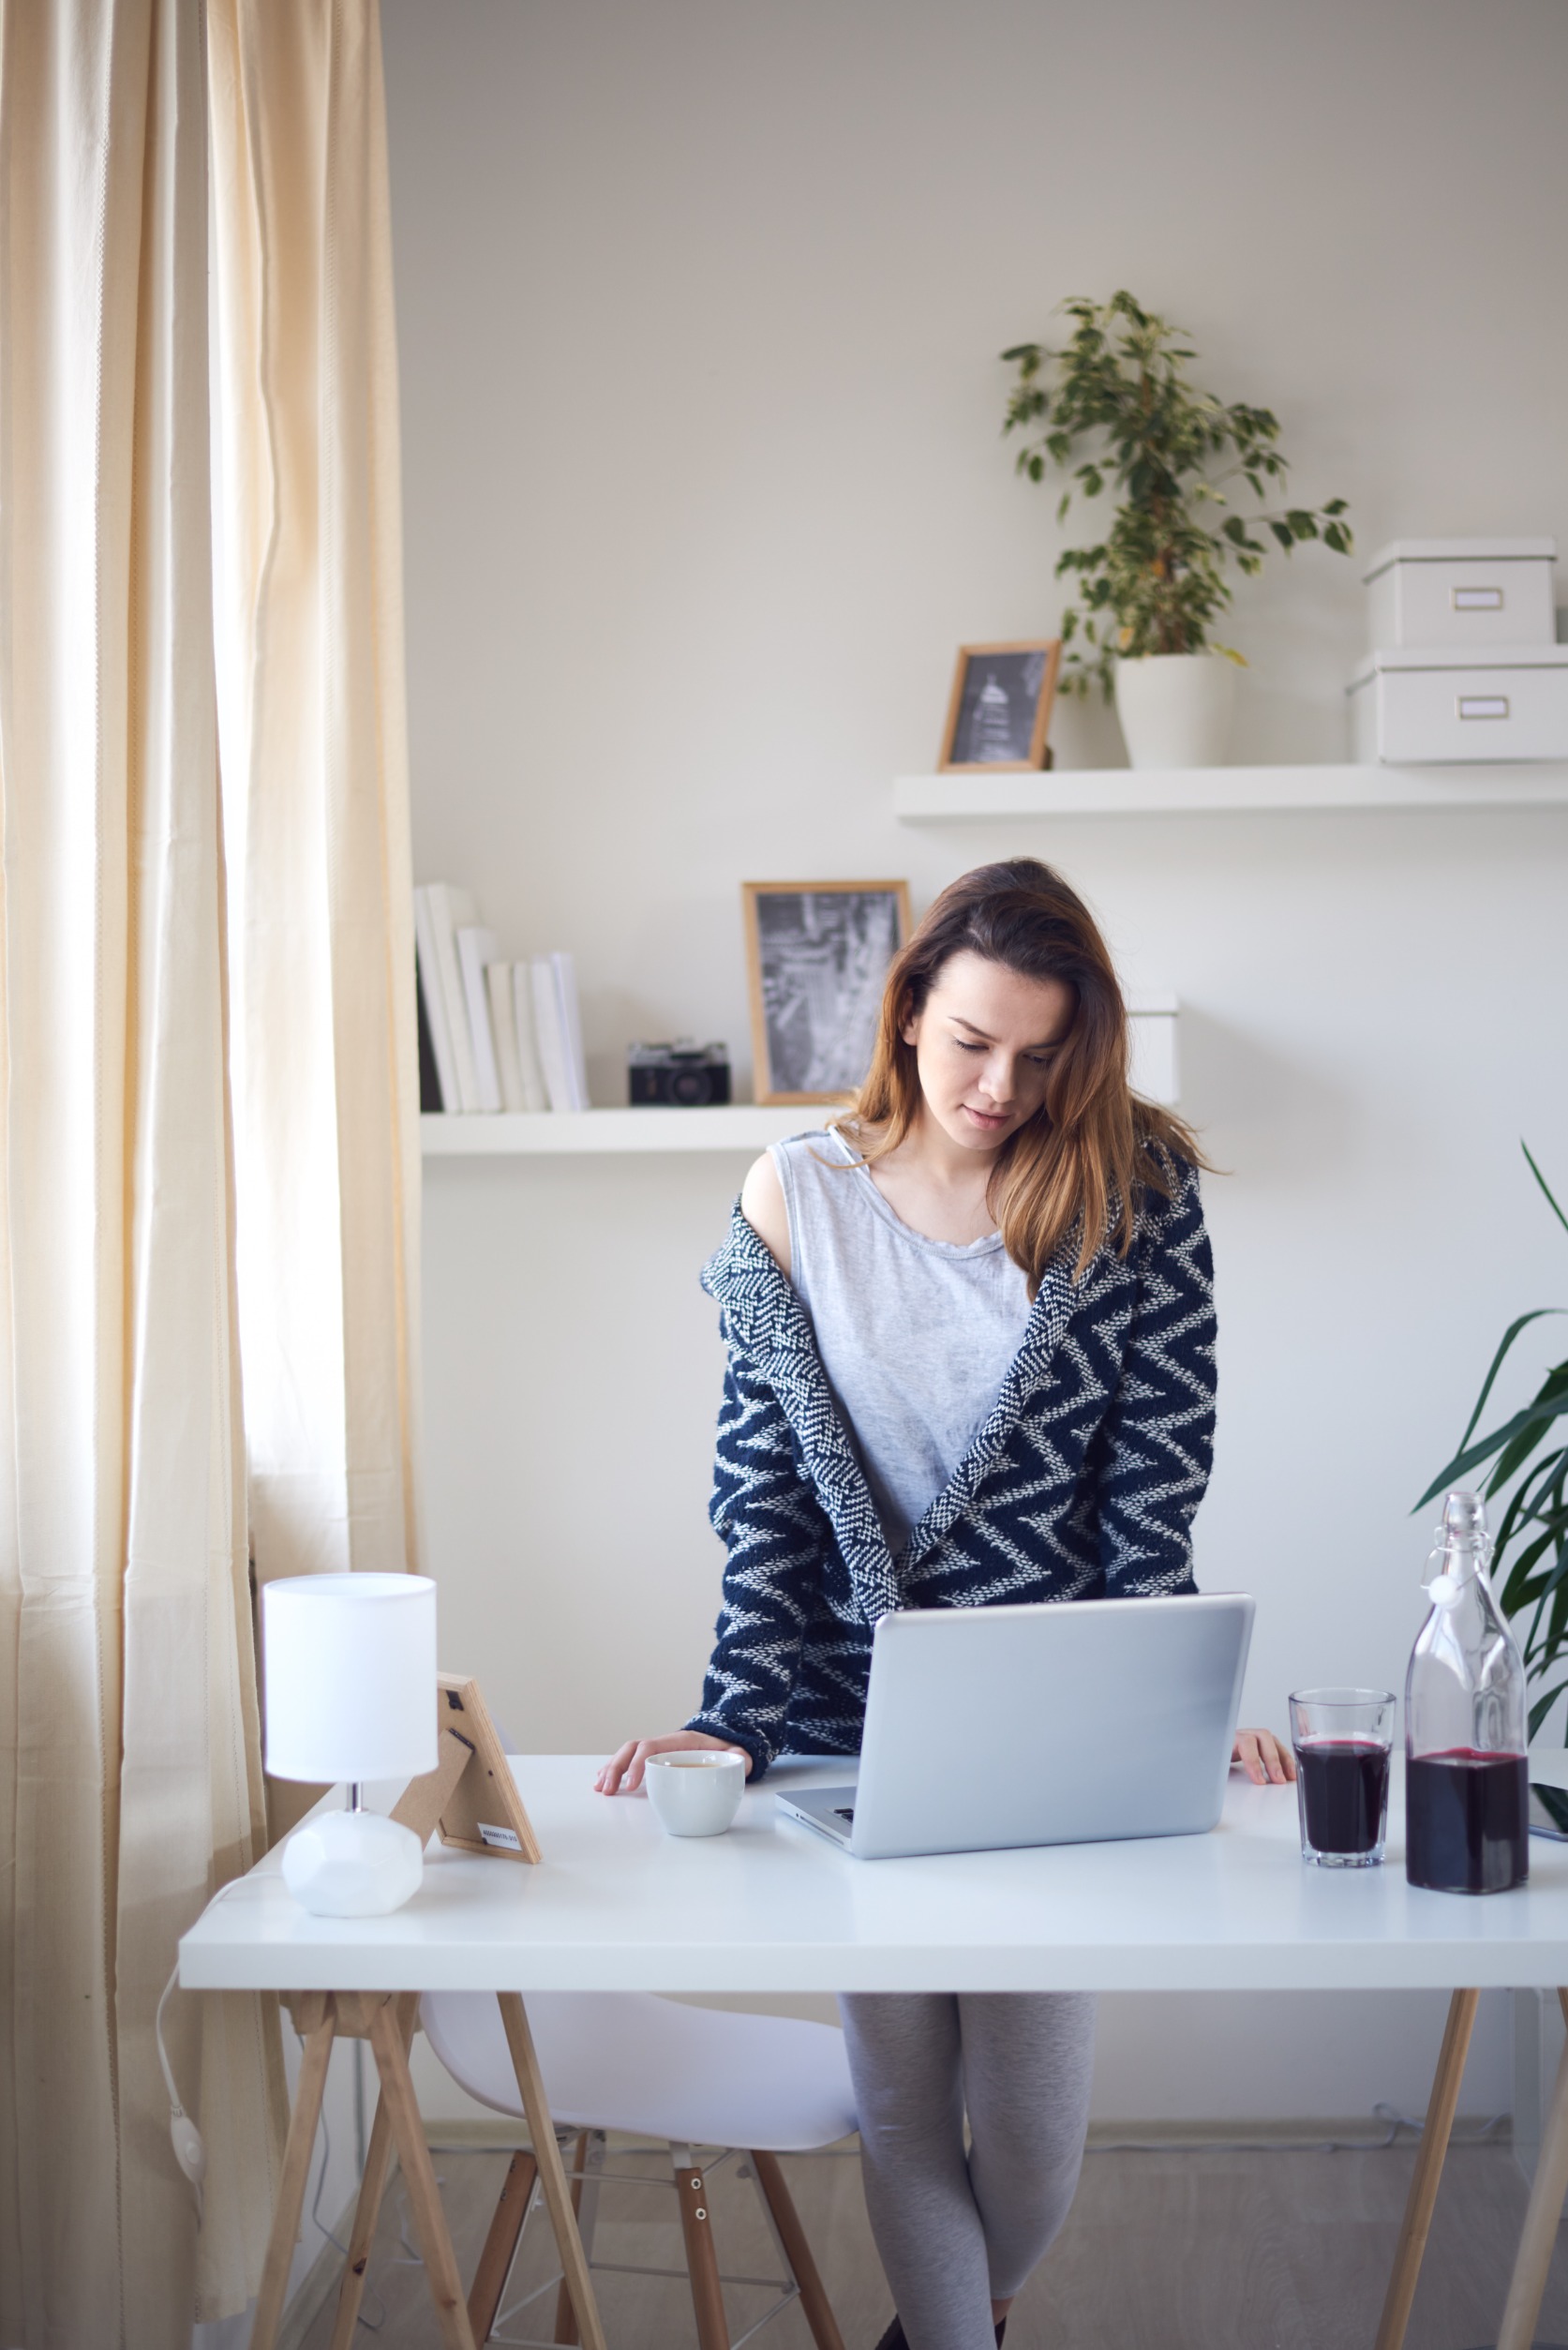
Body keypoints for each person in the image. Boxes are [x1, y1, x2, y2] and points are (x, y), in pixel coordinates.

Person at [597, 858, 1293, 2350]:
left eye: (1042, 1056)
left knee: (1032, 2144)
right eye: (973, 1040)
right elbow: (761, 1498)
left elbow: (1149, 1488)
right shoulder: (794, 1194)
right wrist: (725, 1715)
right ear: (908, 1011)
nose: (1000, 1084)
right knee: (904, 2110)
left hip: (1052, 1733)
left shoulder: (1133, 1194)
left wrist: (1180, 1710)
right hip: (849, 1727)